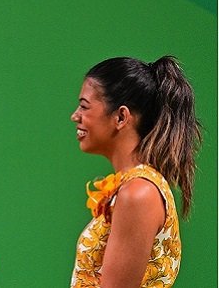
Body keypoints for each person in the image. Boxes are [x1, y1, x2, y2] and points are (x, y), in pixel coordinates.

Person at [69, 56, 202, 288]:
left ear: (121, 117)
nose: (75, 116)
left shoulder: (138, 193)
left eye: (84, 106)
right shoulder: (134, 187)